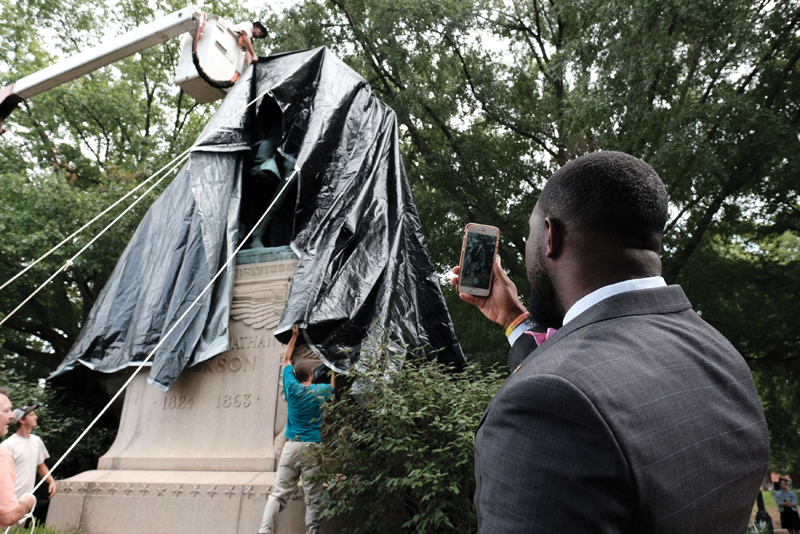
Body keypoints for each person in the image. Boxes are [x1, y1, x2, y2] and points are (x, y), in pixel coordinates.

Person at [451, 151, 770, 533]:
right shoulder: (721, 355)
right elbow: (600, 377)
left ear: (551, 236)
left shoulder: (542, 407)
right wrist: (514, 319)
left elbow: (576, 389)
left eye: (531, 231)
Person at [258, 325, 334, 534]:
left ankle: (265, 530)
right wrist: (334, 365)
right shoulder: (320, 391)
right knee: (313, 497)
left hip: (291, 447)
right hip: (312, 447)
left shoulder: (291, 388)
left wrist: (293, 337)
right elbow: (333, 387)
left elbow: (286, 360)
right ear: (311, 374)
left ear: (296, 376)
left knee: (279, 494)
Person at [1, 404, 57, 500]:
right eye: (31, 415)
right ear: (22, 420)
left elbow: (41, 465)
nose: (36, 417)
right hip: (9, 499)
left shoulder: (37, 441)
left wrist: (51, 481)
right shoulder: (7, 445)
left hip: (25, 499)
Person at [0, 388, 35, 528]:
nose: (12, 416)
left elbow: (41, 464)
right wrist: (27, 502)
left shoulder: (37, 441)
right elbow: (8, 518)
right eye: (6, 411)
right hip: (12, 504)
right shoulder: (3, 452)